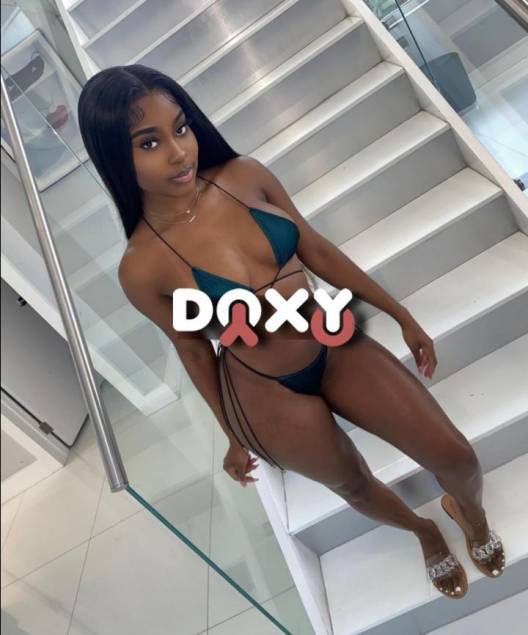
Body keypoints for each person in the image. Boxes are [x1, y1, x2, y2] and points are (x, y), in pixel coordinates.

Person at [77, 64, 505, 599]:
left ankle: (471, 515)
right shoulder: (141, 267)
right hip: (263, 389)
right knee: (352, 484)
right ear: (115, 157)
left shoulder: (244, 176)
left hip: (333, 345)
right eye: (149, 143)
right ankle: (424, 533)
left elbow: (316, 249)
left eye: (181, 128)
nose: (179, 152)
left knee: (457, 457)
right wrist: (232, 435)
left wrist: (399, 313)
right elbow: (193, 351)